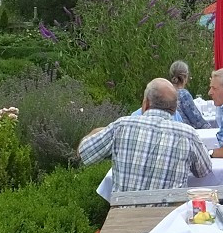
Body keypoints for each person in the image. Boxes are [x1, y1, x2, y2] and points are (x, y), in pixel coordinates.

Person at [77, 78, 212, 193]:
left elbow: (84, 153)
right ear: (174, 108)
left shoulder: (122, 126)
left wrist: (98, 131)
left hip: (124, 215)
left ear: (146, 102)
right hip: (169, 218)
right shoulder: (188, 134)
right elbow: (204, 171)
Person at [168, 60, 207, 129]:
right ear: (186, 76)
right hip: (185, 131)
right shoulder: (183, 94)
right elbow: (196, 119)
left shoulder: (165, 92)